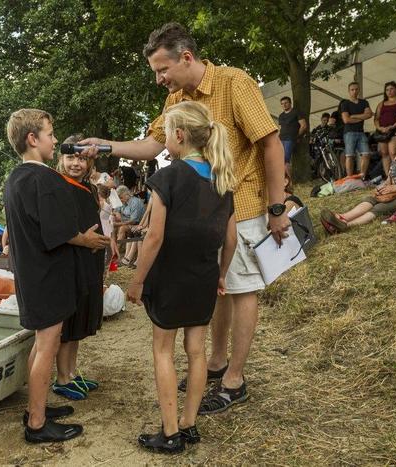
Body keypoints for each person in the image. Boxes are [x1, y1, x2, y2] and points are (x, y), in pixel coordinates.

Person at [79, 22, 289, 416]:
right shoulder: (176, 98)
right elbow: (153, 144)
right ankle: (216, 362)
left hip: (242, 204)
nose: (159, 79)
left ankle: (234, 380)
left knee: (242, 289)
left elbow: (271, 143)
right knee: (217, 287)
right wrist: (104, 146)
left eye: (162, 70)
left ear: (186, 58)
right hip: (203, 213)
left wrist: (276, 208)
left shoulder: (234, 83)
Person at [126, 101, 237, 453]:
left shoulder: (168, 176)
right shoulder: (222, 180)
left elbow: (154, 237)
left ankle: (170, 433)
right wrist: (221, 274)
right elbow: (230, 239)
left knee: (163, 350)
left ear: (178, 135)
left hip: (170, 277)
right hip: (204, 276)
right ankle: (189, 425)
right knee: (197, 351)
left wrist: (137, 280)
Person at [3, 108, 109, 443]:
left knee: (40, 345)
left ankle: (36, 407)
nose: (54, 141)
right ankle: (36, 424)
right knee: (47, 347)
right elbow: (58, 230)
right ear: (33, 139)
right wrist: (87, 239)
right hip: (48, 277)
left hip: (30, 274)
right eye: (50, 134)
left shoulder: (15, 178)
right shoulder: (44, 179)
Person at [52, 135, 106, 401]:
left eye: (82, 159)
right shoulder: (58, 186)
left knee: (82, 317)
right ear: (61, 158)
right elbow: (60, 228)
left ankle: (72, 372)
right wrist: (86, 241)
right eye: (71, 157)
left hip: (89, 262)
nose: (76, 163)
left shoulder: (89, 188)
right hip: (70, 261)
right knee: (70, 322)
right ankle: (62, 377)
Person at [320, 118, 396, 233]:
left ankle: (346, 225)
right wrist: (384, 186)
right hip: (395, 191)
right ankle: (342, 217)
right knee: (372, 198)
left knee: (381, 207)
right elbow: (391, 176)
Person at [340, 82, 373, 178]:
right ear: (349, 91)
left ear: (359, 90)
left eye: (356, 89)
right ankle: (350, 178)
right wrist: (362, 117)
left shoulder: (364, 102)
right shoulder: (345, 103)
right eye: (352, 90)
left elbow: (369, 114)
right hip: (349, 132)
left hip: (361, 132)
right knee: (349, 155)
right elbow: (346, 120)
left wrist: (354, 116)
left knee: (366, 154)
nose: (354, 91)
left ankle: (362, 177)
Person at [374, 81, 396, 176]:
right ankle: (388, 176)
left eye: (391, 89)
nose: (389, 91)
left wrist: (394, 126)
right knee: (384, 153)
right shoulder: (381, 103)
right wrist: (380, 128)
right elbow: (376, 119)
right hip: (382, 131)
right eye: (387, 90)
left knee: (393, 152)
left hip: (395, 129)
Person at [278, 96, 307, 177]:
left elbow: (304, 126)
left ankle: (290, 180)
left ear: (290, 103)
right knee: (280, 160)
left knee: (285, 160)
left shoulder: (296, 112)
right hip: (281, 139)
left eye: (286, 103)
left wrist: (296, 136)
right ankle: (285, 179)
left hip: (290, 139)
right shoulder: (281, 115)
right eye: (282, 104)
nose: (284, 105)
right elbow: (280, 128)